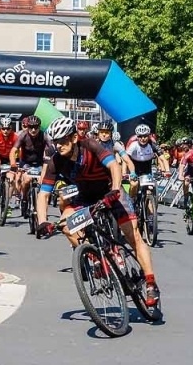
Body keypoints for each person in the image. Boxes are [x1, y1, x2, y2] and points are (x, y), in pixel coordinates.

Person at [35, 116, 159, 306]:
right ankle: (96, 256)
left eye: (62, 141)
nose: (58, 146)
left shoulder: (91, 145)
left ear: (74, 138)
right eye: (55, 142)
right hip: (83, 197)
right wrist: (42, 221)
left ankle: (151, 283)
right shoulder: (55, 162)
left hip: (109, 191)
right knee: (66, 226)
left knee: (133, 235)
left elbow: (113, 166)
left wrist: (116, 190)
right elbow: (43, 195)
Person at [124, 122, 167, 227]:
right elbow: (126, 160)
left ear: (148, 136)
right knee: (134, 185)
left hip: (146, 169)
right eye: (140, 137)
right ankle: (132, 201)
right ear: (137, 137)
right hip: (134, 167)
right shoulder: (133, 145)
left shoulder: (152, 144)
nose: (143, 139)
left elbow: (162, 158)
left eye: (145, 136)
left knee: (149, 191)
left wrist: (167, 170)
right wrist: (125, 173)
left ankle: (151, 217)